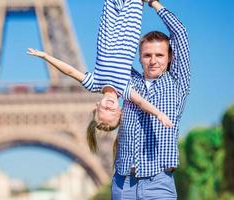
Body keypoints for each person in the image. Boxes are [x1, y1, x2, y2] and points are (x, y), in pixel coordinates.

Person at [28, 0, 173, 153]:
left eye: (104, 108)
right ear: (120, 111)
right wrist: (159, 114)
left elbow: (69, 71)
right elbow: (143, 103)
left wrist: (46, 56)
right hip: (129, 30)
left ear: (97, 105)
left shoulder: (93, 83)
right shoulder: (125, 90)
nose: (109, 106)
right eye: (111, 111)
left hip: (108, 27)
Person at [111, 0, 190, 199]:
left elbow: (180, 34)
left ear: (170, 57)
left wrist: (154, 3)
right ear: (139, 57)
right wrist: (125, 7)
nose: (153, 60)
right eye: (147, 55)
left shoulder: (177, 82)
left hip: (159, 182)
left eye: (159, 55)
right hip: (123, 183)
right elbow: (114, 50)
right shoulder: (129, 80)